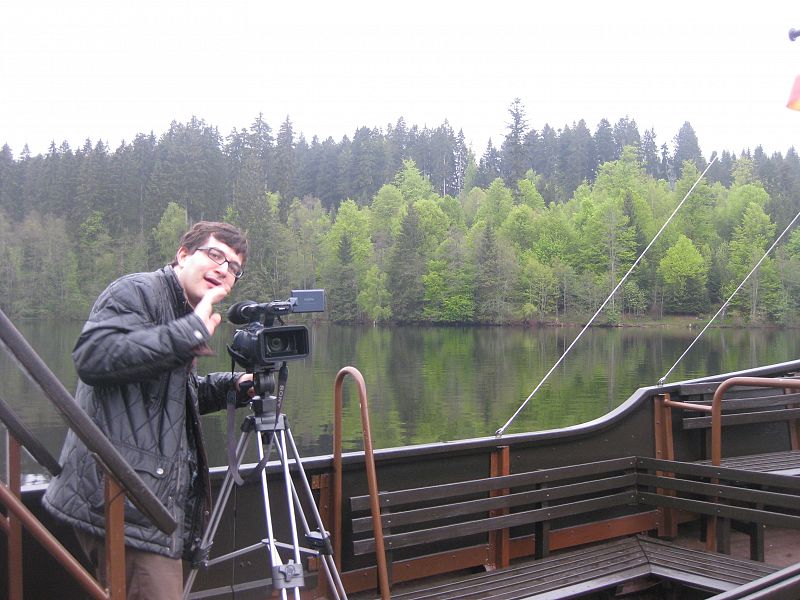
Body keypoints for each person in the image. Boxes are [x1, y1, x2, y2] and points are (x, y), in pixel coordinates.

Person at [43, 221, 252, 599]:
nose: (225, 269)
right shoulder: (137, 291)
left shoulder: (181, 310)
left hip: (148, 504)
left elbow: (164, 398)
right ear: (183, 254)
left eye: (234, 267)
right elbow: (92, 357)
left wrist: (229, 387)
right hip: (125, 502)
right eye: (215, 255)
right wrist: (188, 334)